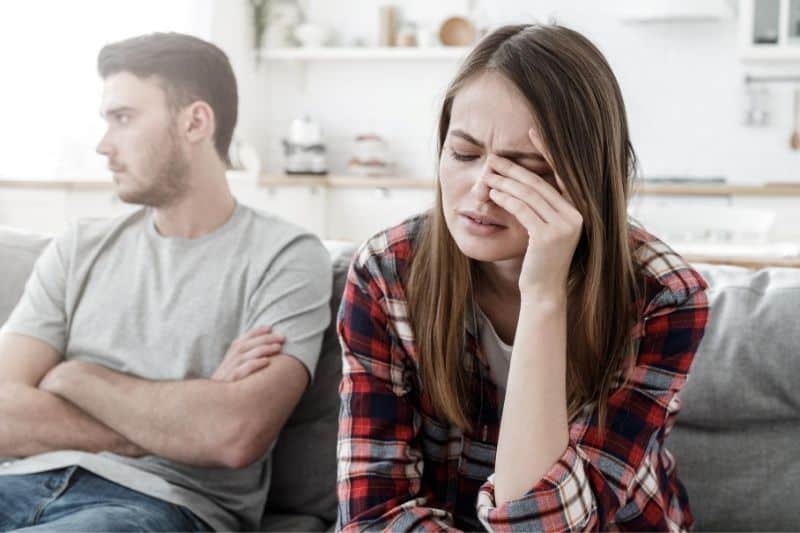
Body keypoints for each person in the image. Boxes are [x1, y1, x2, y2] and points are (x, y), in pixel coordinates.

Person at [336, 24, 708, 532]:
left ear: (588, 179)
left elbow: (552, 528)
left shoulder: (664, 295)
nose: (481, 192)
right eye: (464, 154)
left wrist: (543, 296)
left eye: (526, 169)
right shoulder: (386, 272)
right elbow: (372, 514)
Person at [0, 33, 331, 532]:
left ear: (194, 121)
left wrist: (74, 377)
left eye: (124, 118)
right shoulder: (78, 248)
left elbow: (232, 434)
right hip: (21, 482)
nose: (103, 144)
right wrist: (173, 420)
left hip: (157, 506)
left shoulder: (286, 256)